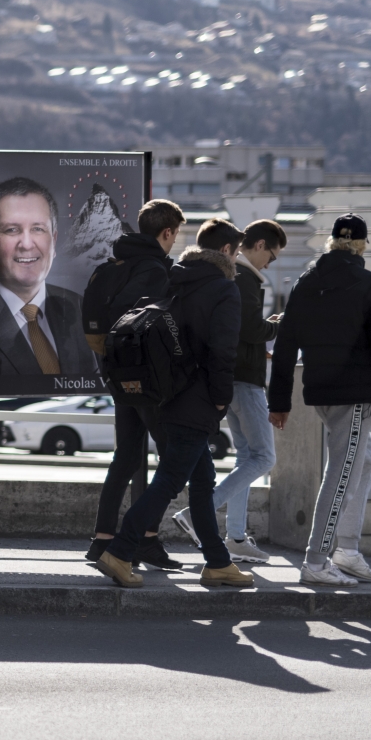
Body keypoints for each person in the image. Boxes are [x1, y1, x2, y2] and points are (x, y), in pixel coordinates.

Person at [94, 219, 255, 589]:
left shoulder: (174, 280)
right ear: (227, 252)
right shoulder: (224, 290)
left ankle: (217, 562)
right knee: (170, 479)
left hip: (164, 396)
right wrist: (220, 400)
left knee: (201, 480)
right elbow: (223, 352)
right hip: (197, 400)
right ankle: (119, 551)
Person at [268, 213, 371, 586]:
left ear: (331, 242)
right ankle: (316, 560)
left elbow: (284, 345)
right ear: (362, 246)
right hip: (355, 394)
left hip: (322, 392)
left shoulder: (306, 283)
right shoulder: (369, 284)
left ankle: (347, 548)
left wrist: (279, 401)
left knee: (363, 463)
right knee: (342, 473)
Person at [170, 218, 284, 562]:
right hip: (243, 380)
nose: (271, 263)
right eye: (273, 255)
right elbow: (248, 327)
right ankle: (197, 513)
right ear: (259, 245)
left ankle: (235, 537)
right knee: (264, 457)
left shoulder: (234, 276)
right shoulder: (244, 277)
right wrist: (278, 326)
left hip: (229, 377)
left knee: (247, 457)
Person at [85, 198, 185, 573]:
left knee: (126, 456)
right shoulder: (156, 270)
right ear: (167, 232)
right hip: (148, 380)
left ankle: (104, 537)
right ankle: (143, 538)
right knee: (173, 457)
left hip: (116, 373)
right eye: (175, 235)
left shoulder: (114, 266)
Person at [0, 176, 98, 377]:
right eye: (12, 230)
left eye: (38, 229)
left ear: (54, 241)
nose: (27, 244)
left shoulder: (80, 309)